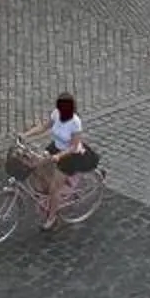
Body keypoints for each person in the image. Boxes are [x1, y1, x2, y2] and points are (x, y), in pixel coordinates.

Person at [33, 94, 97, 228]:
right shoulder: (56, 113)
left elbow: (74, 146)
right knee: (37, 166)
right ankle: (49, 194)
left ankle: (51, 218)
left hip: (70, 155)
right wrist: (25, 135)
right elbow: (44, 127)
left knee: (54, 189)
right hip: (56, 147)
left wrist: (59, 157)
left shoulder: (75, 122)